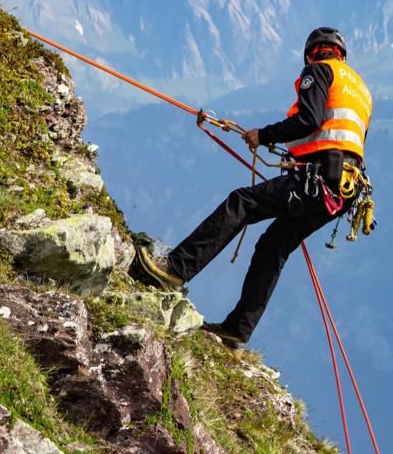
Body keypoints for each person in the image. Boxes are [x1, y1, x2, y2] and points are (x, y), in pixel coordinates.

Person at [136, 27, 372, 349]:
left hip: (319, 179)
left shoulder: (318, 70)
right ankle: (237, 329)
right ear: (341, 53)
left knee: (242, 203)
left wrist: (263, 135)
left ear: (312, 52)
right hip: (344, 189)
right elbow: (344, 141)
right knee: (274, 245)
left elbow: (310, 120)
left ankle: (176, 268)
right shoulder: (360, 90)